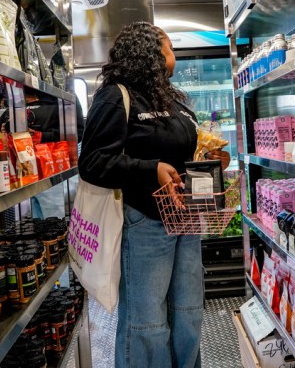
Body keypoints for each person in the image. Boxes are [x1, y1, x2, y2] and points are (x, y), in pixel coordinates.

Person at [78, 21, 202, 368]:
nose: (173, 55)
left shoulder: (172, 100)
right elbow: (92, 161)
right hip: (145, 221)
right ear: (151, 52)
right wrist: (150, 170)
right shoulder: (117, 96)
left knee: (188, 313)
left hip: (187, 220)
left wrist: (207, 160)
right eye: (169, 47)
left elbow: (182, 151)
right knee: (147, 324)